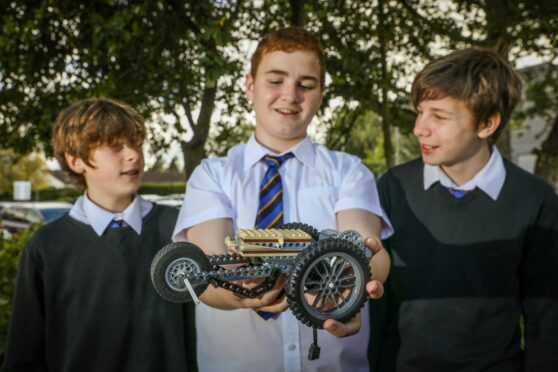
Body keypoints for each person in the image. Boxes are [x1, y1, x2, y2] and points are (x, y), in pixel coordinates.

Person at [172, 26, 393, 371]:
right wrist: (243, 291)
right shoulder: (212, 174)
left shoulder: (348, 171)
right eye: (275, 80)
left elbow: (368, 250)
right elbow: (207, 267)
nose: (290, 95)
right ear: (249, 86)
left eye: (306, 84)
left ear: (321, 93)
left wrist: (349, 296)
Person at [373, 48, 558, 371]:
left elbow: (547, 320)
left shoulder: (537, 201)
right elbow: (378, 306)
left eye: (439, 116)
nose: (420, 128)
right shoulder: (393, 188)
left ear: (486, 124)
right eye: (420, 112)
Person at [2, 98, 196, 372]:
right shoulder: (46, 247)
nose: (132, 155)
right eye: (115, 146)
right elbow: (24, 356)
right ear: (76, 160)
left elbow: (199, 335)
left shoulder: (177, 228)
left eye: (136, 143)